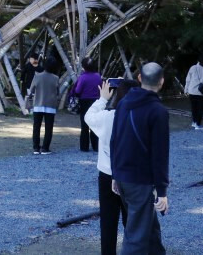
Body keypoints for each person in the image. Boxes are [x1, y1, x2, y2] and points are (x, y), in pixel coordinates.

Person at [110, 62, 169, 255]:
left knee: (148, 226)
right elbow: (160, 154)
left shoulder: (124, 103)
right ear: (162, 82)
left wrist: (115, 174)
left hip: (123, 176)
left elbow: (114, 140)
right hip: (140, 179)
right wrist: (162, 191)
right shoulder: (158, 111)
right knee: (136, 235)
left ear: (140, 79)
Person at [85, 77, 139, 255]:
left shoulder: (108, 117)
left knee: (108, 221)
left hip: (107, 174)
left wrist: (102, 99)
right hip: (130, 175)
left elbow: (88, 117)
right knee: (131, 220)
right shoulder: (139, 119)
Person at [29, 55, 61, 155]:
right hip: (50, 106)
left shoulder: (37, 76)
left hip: (38, 104)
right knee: (48, 128)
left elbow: (31, 90)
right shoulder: (56, 78)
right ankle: (45, 148)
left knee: (36, 127)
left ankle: (36, 148)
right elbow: (57, 92)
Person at [71, 57, 102, 151]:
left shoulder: (83, 77)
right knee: (95, 125)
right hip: (96, 101)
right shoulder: (98, 76)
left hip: (84, 101)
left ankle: (84, 147)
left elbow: (78, 90)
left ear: (84, 66)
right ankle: (96, 146)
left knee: (84, 125)